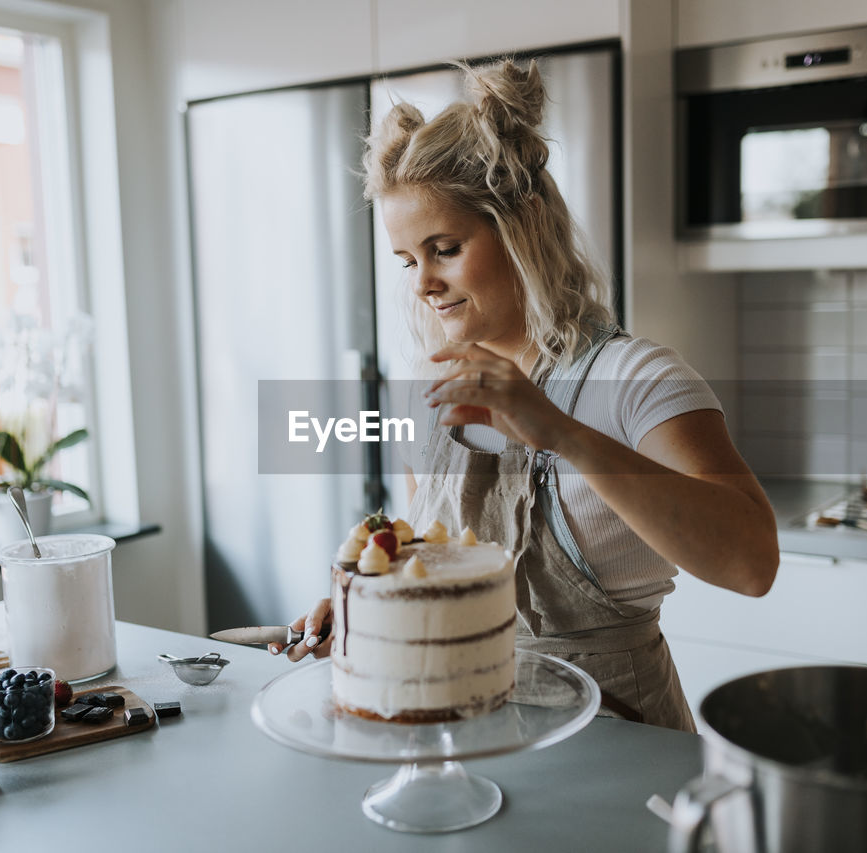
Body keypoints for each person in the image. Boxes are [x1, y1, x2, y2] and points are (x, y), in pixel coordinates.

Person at [271, 59, 779, 731]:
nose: (422, 282)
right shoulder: (429, 386)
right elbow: (437, 547)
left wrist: (560, 430)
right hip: (473, 733)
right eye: (407, 260)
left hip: (621, 746)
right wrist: (374, 593)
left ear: (522, 225)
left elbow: (752, 562)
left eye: (444, 247)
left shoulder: (635, 378)